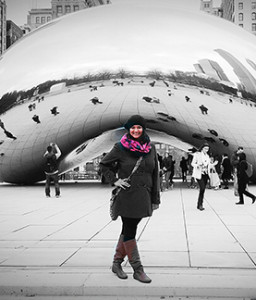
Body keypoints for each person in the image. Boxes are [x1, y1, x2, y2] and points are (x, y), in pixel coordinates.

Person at [100, 115, 160, 284]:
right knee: (130, 229)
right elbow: (104, 165)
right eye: (132, 128)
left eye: (139, 127)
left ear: (143, 129)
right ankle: (137, 269)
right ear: (128, 129)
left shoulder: (151, 148)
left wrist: (155, 198)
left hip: (144, 196)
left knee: (128, 229)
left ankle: (116, 263)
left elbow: (155, 174)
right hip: (127, 196)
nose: (135, 130)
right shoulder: (120, 147)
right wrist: (115, 180)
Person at [191, 143, 210, 211]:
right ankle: (200, 204)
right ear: (202, 148)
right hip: (199, 173)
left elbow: (208, 164)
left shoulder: (207, 156)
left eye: (207, 149)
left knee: (203, 189)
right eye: (205, 149)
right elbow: (192, 163)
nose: (206, 150)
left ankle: (200, 203)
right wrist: (198, 165)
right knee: (202, 188)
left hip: (205, 174)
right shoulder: (197, 155)